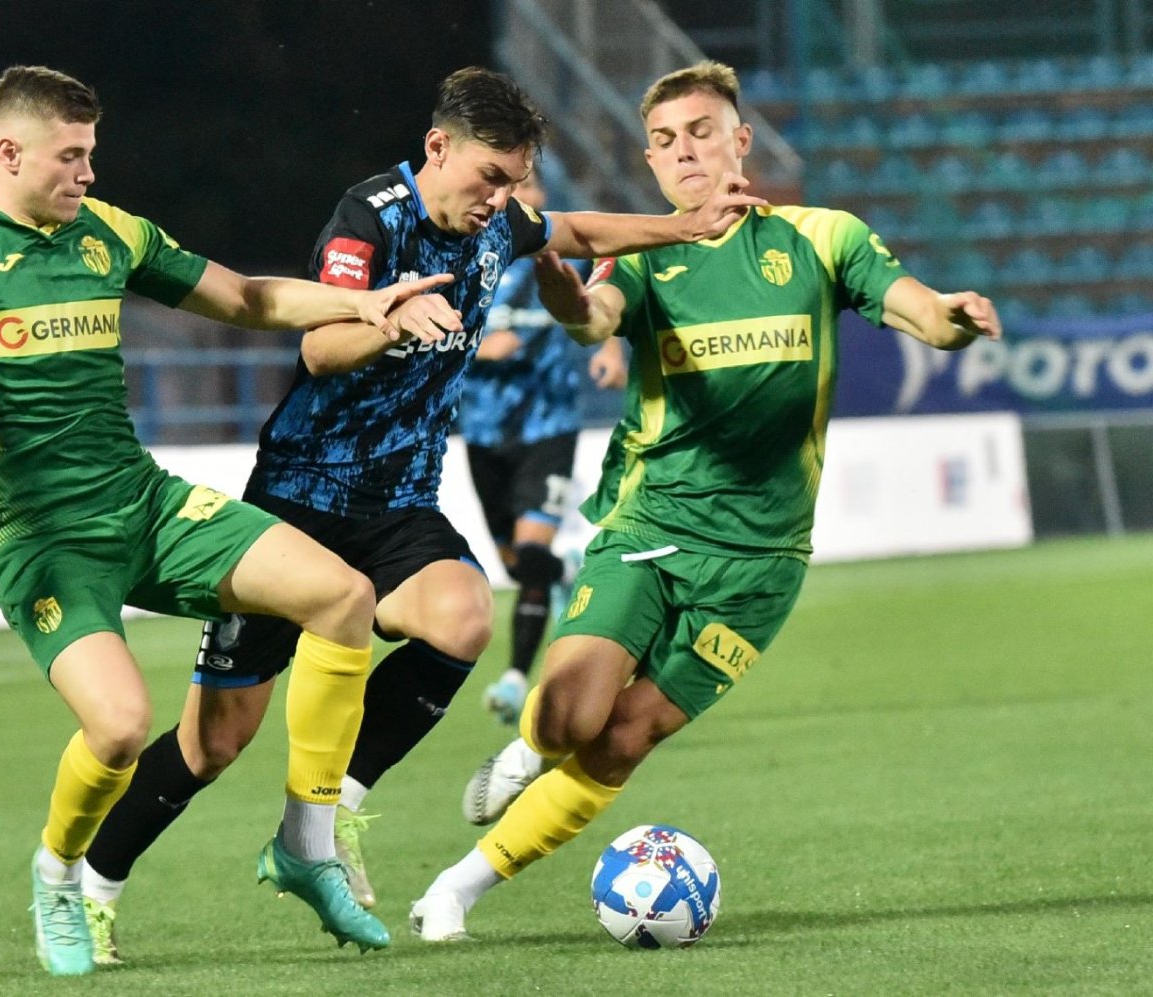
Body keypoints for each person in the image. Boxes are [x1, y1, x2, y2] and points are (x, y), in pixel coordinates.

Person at [0, 64, 458, 976]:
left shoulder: (110, 233)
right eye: (71, 156)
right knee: (121, 727)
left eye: (91, 153)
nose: (88, 172)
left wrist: (361, 302)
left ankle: (307, 842)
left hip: (145, 504)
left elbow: (246, 297)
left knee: (342, 594)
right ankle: (58, 873)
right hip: (41, 541)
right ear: (10, 152)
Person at [78, 64, 766, 964]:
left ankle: (330, 817)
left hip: (399, 504)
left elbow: (576, 228)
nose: (500, 200)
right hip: (299, 501)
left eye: (513, 182)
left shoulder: (498, 225)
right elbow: (320, 350)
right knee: (215, 741)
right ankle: (93, 889)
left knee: (461, 615)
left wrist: (681, 225)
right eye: (489, 178)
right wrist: (393, 320)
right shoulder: (371, 217)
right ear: (437, 147)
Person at [409, 59, 1003, 942]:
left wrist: (952, 316)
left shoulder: (822, 238)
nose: (683, 151)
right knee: (570, 716)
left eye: (699, 131)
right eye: (663, 141)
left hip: (761, 563)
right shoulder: (645, 253)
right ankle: (529, 745)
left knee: (623, 737)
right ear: (650, 163)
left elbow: (919, 313)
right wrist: (567, 299)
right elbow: (595, 317)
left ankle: (455, 888)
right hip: (653, 525)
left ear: (740, 140)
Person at [459, 163, 627, 727]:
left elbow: (605, 294)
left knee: (530, 555)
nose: (518, 196)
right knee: (517, 564)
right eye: (509, 188)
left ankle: (514, 680)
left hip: (548, 425)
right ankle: (563, 571)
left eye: (528, 187)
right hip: (483, 431)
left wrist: (611, 348)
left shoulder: (560, 256)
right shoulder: (468, 256)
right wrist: (470, 346)